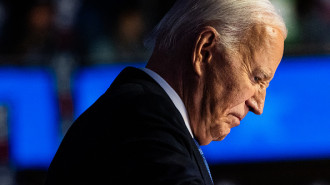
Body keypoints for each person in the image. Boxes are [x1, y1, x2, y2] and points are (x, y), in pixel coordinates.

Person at [44, 0, 287, 184]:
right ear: (204, 51)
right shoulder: (139, 120)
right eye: (257, 78)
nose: (259, 105)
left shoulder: (145, 113)